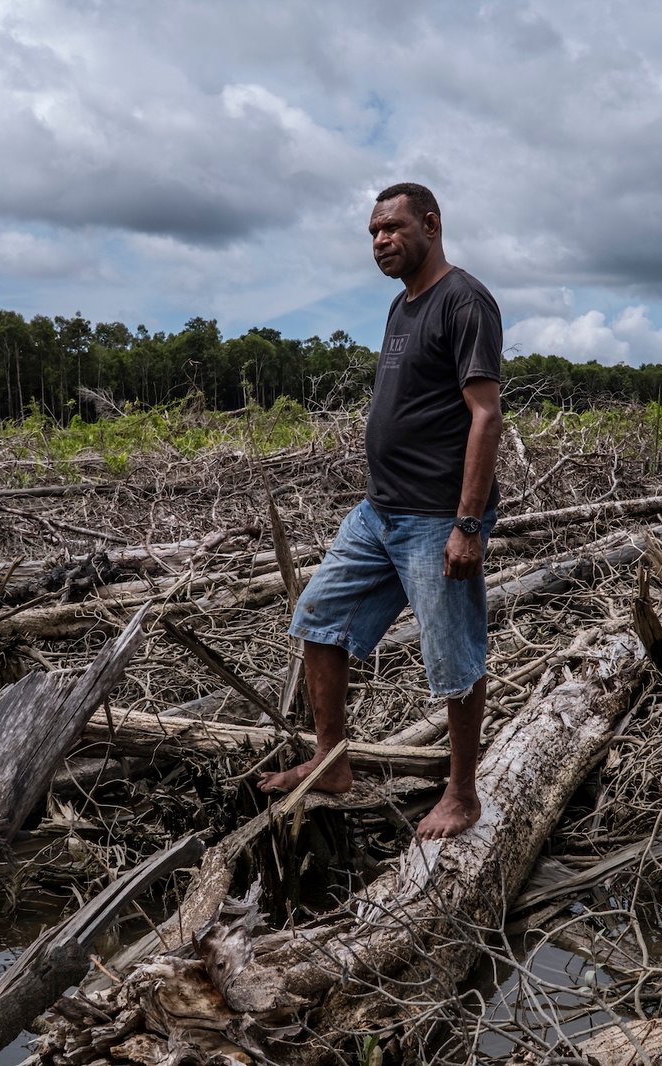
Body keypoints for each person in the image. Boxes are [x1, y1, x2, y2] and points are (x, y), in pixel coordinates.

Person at [258, 182, 503, 840]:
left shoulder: (465, 300)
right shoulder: (401, 306)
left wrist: (467, 525)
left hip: (437, 517)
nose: (380, 241)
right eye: (373, 232)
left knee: (453, 658)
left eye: (392, 228)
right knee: (319, 619)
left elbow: (485, 416)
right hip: (379, 512)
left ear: (431, 225)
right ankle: (331, 762)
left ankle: (463, 795)